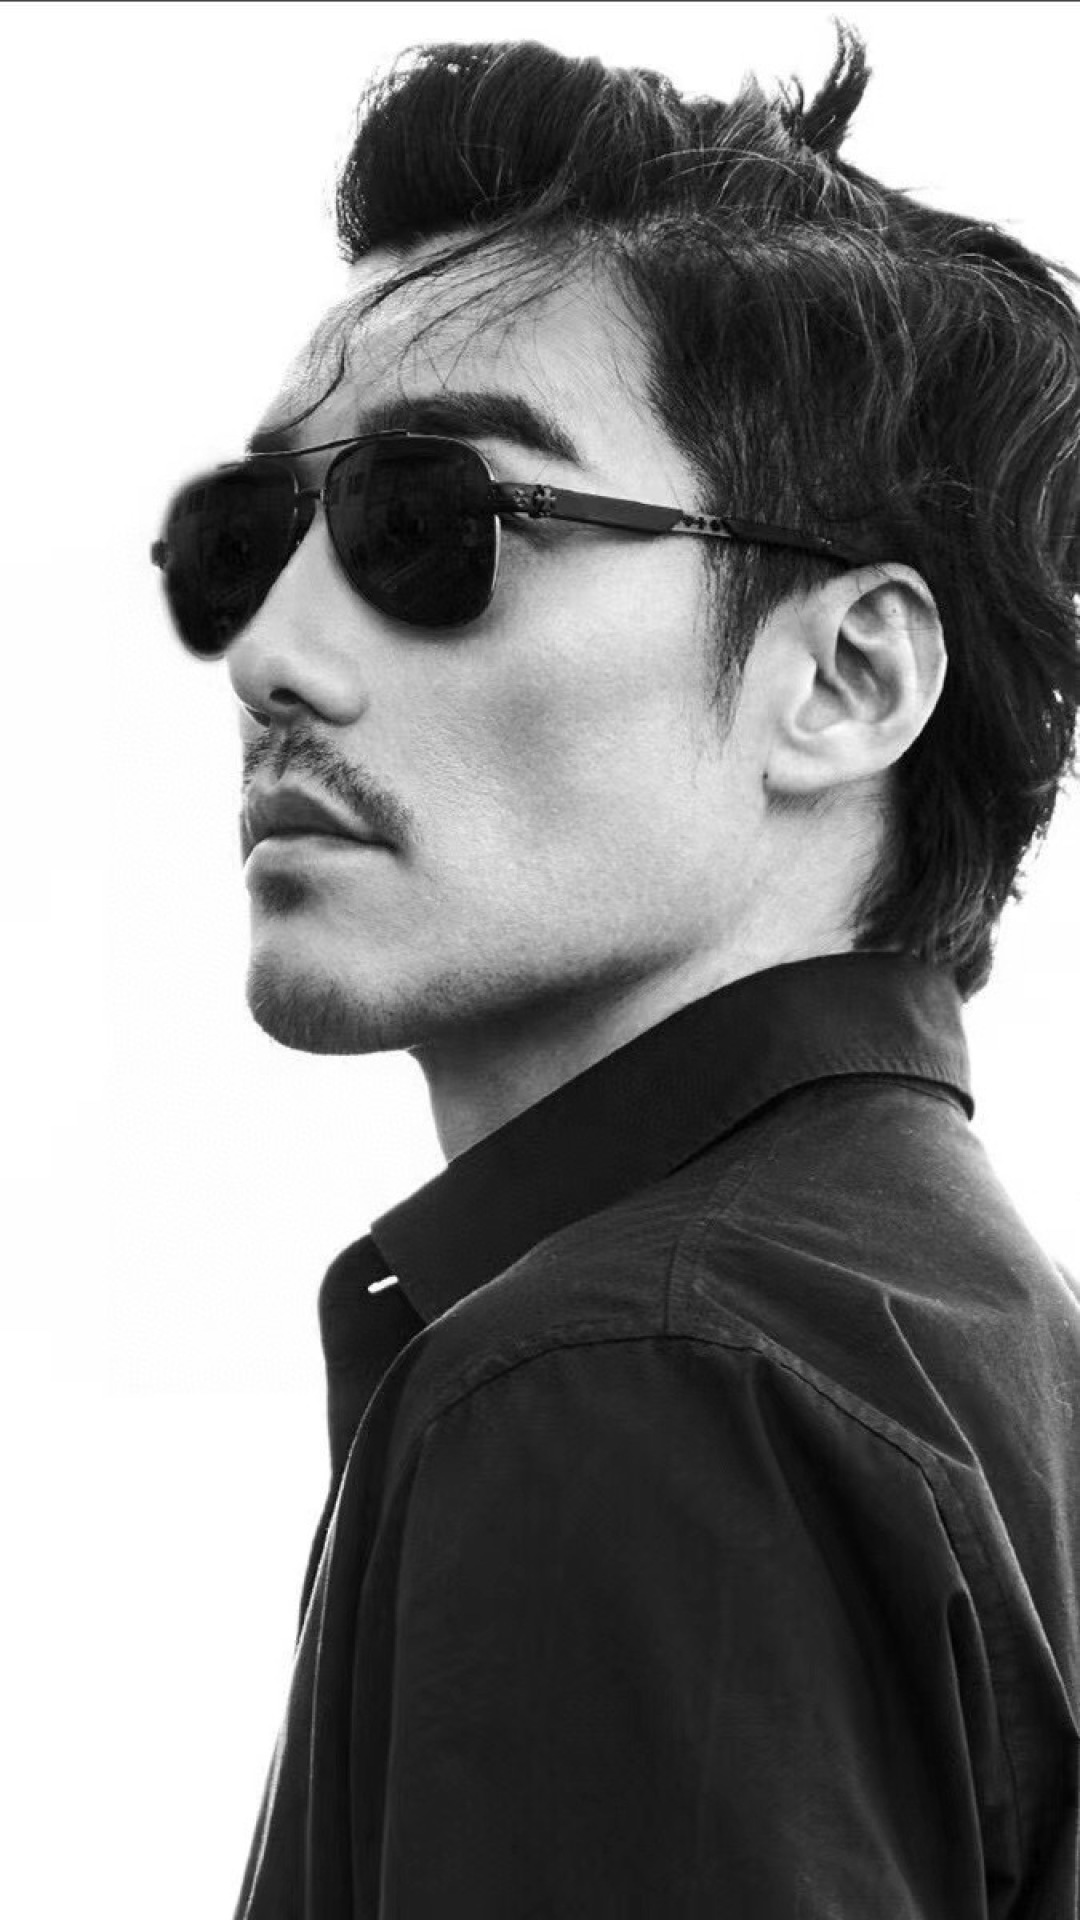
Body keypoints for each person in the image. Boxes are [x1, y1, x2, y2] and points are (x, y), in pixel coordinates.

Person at [152, 21, 1080, 1917]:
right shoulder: (977, 1357)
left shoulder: (636, 1377)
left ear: (846, 680)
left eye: (432, 525)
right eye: (248, 539)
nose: (269, 655)